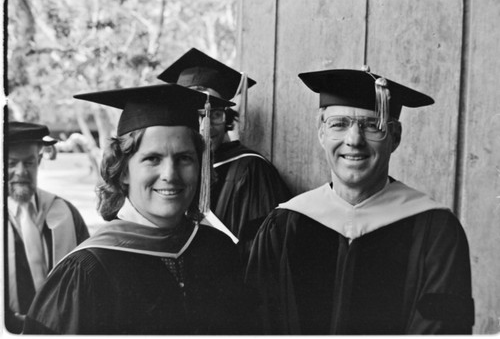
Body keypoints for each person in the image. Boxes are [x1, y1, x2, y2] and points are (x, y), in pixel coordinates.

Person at [245, 67, 474, 334]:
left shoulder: (435, 230)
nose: (353, 140)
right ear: (321, 133)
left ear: (395, 137)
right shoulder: (284, 225)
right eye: (339, 124)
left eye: (371, 126)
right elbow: (257, 324)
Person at [23, 83, 249, 334]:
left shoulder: (219, 249)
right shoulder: (86, 269)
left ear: (200, 167)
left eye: (184, 158)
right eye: (152, 159)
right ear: (124, 171)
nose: (170, 175)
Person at [158, 48, 291, 260]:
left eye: (213, 115)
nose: (204, 127)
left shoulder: (250, 169)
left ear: (226, 118)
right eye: (193, 115)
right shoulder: (168, 171)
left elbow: (266, 251)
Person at [5, 121, 89, 334]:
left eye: (29, 162)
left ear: (39, 160)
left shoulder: (65, 213)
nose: (21, 172)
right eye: (11, 163)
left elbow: (88, 280)